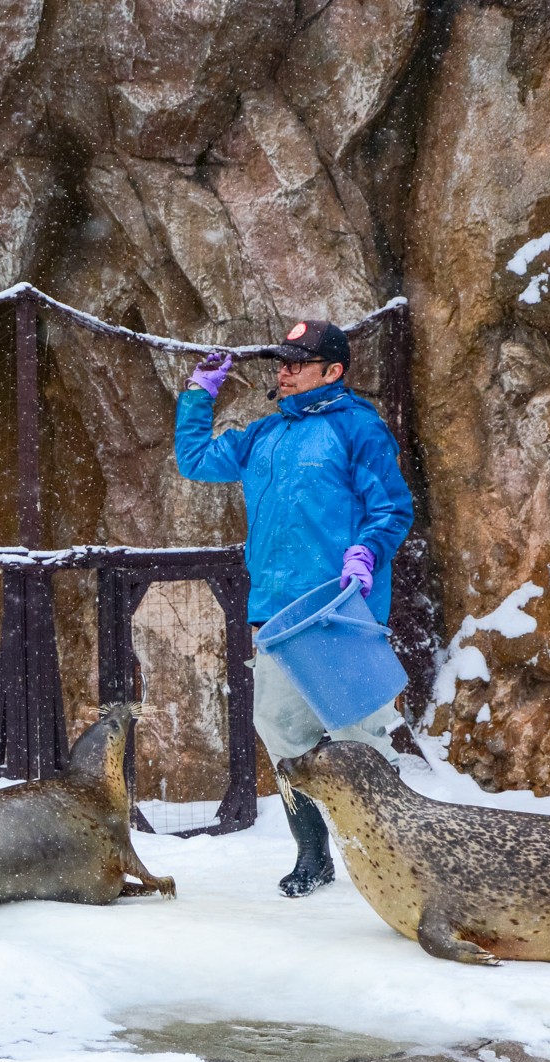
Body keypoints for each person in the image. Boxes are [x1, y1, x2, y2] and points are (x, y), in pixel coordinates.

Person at [174, 320, 414, 897]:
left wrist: (365, 551)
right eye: (281, 362)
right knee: (281, 730)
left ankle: (400, 857)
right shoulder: (263, 434)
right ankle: (314, 855)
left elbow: (392, 509)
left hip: (338, 610)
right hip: (277, 617)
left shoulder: (359, 428)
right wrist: (198, 395)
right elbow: (197, 460)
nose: (283, 371)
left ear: (333, 371)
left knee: (363, 738)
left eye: (297, 362)